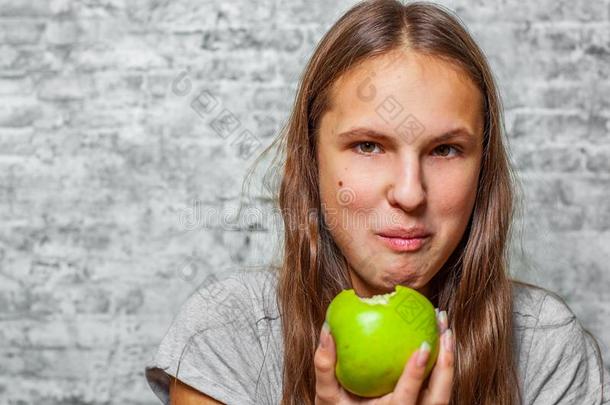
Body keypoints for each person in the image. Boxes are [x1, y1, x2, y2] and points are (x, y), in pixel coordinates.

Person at [145, 1, 610, 404]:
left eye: (445, 149)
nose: (409, 193)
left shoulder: (548, 347)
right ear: (311, 162)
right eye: (368, 145)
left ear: (483, 171)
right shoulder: (231, 334)